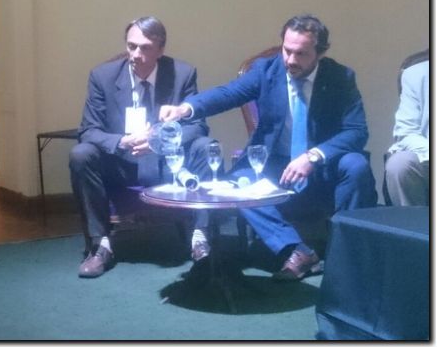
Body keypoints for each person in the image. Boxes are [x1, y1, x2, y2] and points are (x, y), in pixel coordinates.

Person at [161, 14, 377, 281]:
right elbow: (228, 94)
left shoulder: (340, 77)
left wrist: (313, 156)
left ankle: (349, 254)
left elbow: (356, 131)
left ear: (320, 53)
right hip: (274, 162)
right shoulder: (267, 70)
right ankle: (297, 251)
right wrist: (186, 108)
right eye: (287, 50)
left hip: (323, 165)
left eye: (301, 53)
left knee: (356, 165)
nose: (291, 60)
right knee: (239, 184)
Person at [69, 16, 218, 278]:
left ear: (161, 49)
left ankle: (200, 237)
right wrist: (120, 142)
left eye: (145, 47)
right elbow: (88, 130)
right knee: (81, 154)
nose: (136, 54)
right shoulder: (102, 77)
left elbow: (197, 127)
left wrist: (159, 142)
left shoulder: (182, 74)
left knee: (206, 147)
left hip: (168, 165)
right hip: (121, 164)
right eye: (131, 46)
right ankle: (100, 245)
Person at [385, 57, 429, 206]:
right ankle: (412, 221)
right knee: (399, 164)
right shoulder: (416, 74)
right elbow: (407, 131)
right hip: (428, 154)